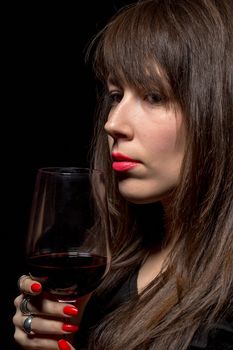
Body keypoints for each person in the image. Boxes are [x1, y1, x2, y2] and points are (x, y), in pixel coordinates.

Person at [13, 0, 233, 349]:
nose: (113, 124)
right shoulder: (111, 265)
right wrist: (57, 332)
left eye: (154, 96)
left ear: (219, 112)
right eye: (116, 95)